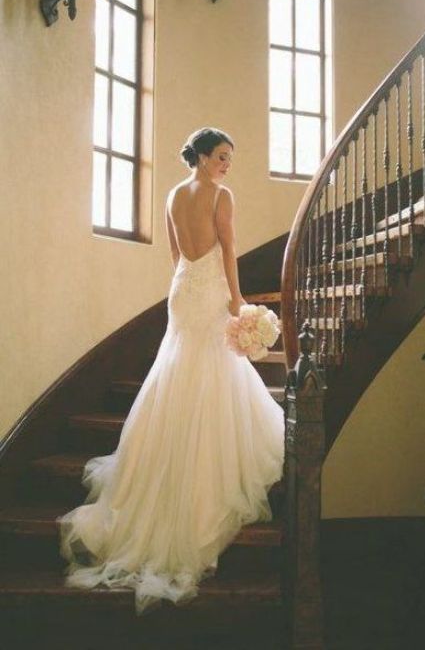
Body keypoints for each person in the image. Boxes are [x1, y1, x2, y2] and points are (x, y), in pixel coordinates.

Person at [56, 127, 285, 615]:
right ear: (202, 157)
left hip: (182, 292)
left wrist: (193, 289)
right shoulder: (220, 196)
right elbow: (227, 252)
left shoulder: (173, 195)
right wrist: (239, 303)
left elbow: (176, 257)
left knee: (183, 368)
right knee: (210, 370)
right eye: (221, 156)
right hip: (209, 290)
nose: (227, 165)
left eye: (229, 158)